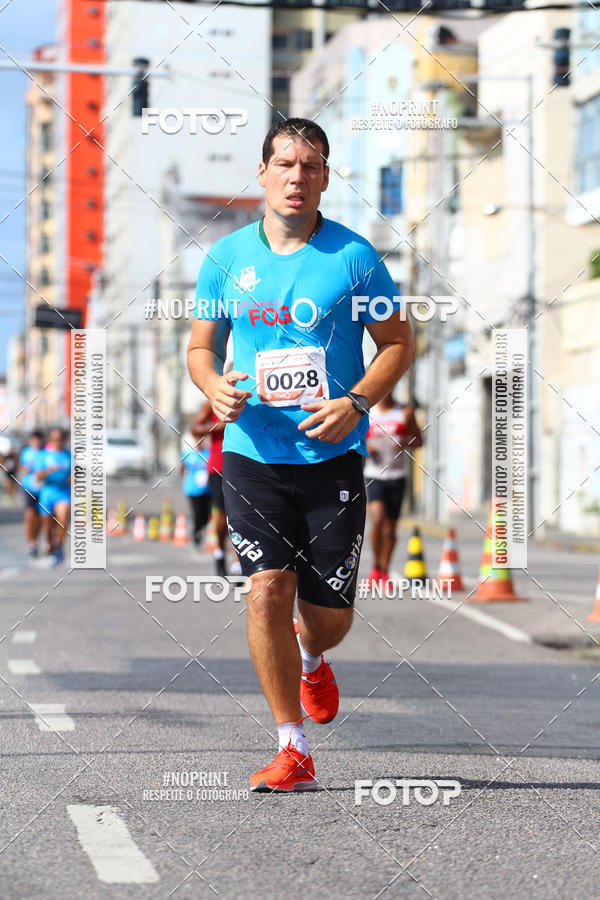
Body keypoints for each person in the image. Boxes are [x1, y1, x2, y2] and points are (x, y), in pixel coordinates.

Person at [187, 117, 414, 792]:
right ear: (262, 173)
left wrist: (358, 401)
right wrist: (213, 386)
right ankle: (293, 747)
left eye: (311, 165)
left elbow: (398, 343)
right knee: (265, 591)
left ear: (325, 177)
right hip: (253, 451)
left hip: (332, 455)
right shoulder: (226, 258)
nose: (296, 176)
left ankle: (314, 656)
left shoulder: (354, 258)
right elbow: (201, 348)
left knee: (330, 618)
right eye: (285, 163)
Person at [364, 392, 423, 586]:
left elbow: (420, 440)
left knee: (390, 530)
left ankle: (385, 570)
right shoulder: (368, 412)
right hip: (374, 475)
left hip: (397, 477)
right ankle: (375, 567)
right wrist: (366, 448)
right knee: (378, 518)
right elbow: (354, 439)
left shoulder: (405, 412)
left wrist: (406, 442)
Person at [37, 427, 71, 566]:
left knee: (63, 519)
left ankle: (59, 547)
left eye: (60, 439)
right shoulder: (44, 455)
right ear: (51, 440)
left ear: (64, 440)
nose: (58, 442)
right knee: (48, 526)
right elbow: (37, 476)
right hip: (47, 493)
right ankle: (50, 543)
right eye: (54, 439)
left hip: (63, 492)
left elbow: (76, 473)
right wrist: (48, 470)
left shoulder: (69, 455)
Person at [180, 426, 211, 546]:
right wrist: (182, 476)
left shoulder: (208, 453)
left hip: (207, 490)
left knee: (206, 514)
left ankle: (201, 530)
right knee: (197, 513)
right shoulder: (188, 454)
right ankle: (196, 535)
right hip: (192, 489)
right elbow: (182, 467)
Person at [18, 429, 45, 559]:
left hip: (43, 488)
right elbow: (21, 469)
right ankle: (31, 543)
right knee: (29, 514)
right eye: (34, 439)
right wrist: (26, 469)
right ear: (31, 440)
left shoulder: (46, 453)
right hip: (29, 487)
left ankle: (36, 539)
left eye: (39, 439)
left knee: (40, 516)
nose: (37, 442)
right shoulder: (26, 453)